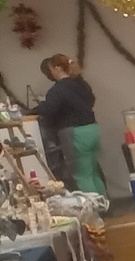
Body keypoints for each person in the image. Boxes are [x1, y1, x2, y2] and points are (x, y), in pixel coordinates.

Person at [33, 54, 103, 195]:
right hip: (92, 129)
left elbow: (49, 111)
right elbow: (91, 100)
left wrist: (38, 108)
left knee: (82, 176)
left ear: (57, 68)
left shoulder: (57, 90)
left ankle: (94, 212)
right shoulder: (82, 84)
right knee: (94, 173)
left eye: (51, 68)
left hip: (75, 133)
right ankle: (105, 205)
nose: (50, 72)